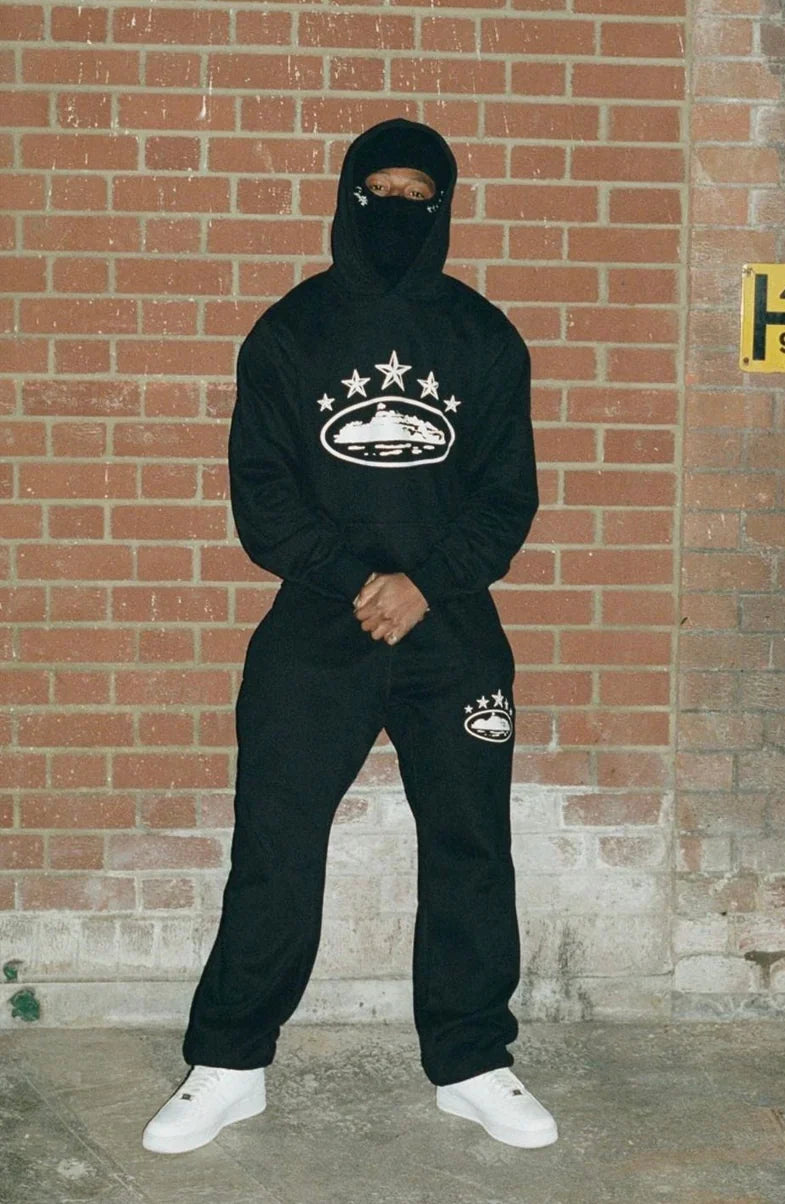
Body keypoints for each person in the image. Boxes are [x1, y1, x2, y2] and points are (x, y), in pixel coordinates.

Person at [141, 118, 557, 1153]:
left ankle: (473, 1060)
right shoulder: (290, 333)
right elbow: (262, 498)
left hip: (451, 628)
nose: (398, 209)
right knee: (275, 843)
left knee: (471, 847)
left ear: (444, 208)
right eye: (381, 190)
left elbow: (508, 498)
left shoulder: (484, 338)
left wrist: (425, 585)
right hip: (317, 625)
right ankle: (230, 1061)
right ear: (346, 197)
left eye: (419, 194)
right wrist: (361, 580)